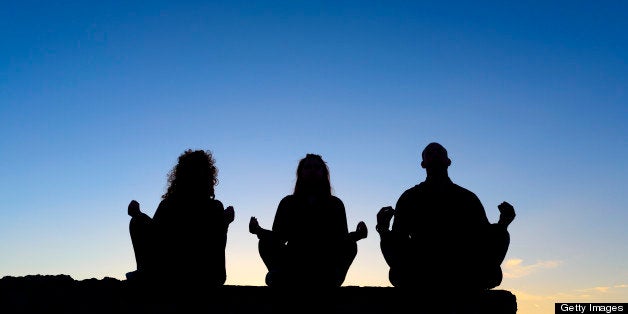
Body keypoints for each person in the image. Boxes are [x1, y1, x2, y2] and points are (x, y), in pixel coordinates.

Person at [376, 142, 515, 291]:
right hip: (421, 267)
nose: (435, 155)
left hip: (463, 267)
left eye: (439, 153)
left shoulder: (467, 198)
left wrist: (503, 224)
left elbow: (484, 235)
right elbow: (399, 239)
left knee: (500, 236)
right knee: (394, 250)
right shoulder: (409, 197)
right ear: (423, 164)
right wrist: (383, 229)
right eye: (430, 153)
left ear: (448, 162)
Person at [249, 153, 367, 288]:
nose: (312, 170)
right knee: (265, 243)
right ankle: (280, 275)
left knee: (350, 246)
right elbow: (279, 237)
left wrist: (358, 235)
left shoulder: (335, 204)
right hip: (293, 260)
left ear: (324, 173)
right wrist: (258, 230)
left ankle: (332, 279)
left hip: (324, 262)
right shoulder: (287, 202)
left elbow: (340, 240)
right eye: (308, 167)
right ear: (300, 173)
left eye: (317, 168)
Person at [127, 149, 235, 288]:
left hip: (176, 274)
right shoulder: (214, 206)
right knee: (138, 220)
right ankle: (147, 273)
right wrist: (225, 223)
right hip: (209, 276)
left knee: (137, 222)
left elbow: (155, 235)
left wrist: (138, 215)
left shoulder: (169, 205)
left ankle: (145, 273)